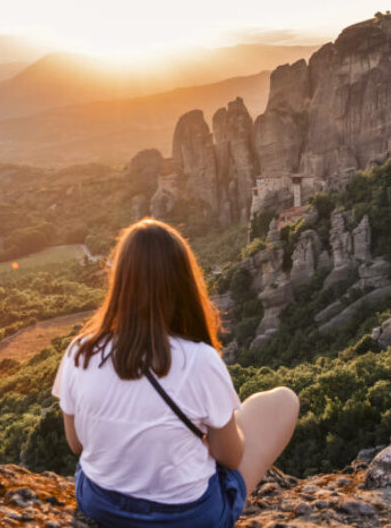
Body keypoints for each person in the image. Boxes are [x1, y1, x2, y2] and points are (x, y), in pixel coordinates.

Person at [52, 218, 299, 528]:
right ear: (183, 283)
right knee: (282, 401)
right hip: (189, 519)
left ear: (120, 282)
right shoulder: (199, 359)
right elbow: (231, 458)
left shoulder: (80, 351)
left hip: (101, 505)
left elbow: (76, 444)